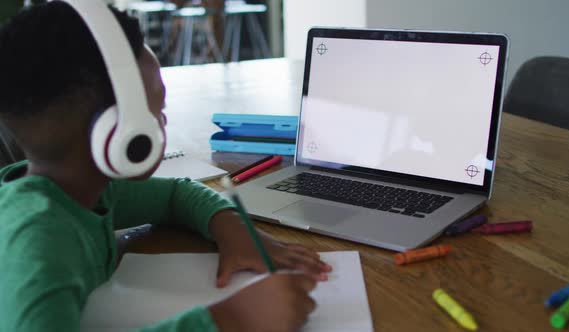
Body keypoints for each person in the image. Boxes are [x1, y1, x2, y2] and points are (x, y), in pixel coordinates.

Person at [0, 2, 331, 331]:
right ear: (120, 132)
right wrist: (230, 319)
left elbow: (175, 193)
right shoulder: (37, 245)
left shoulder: (85, 191)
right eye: (156, 111)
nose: (163, 120)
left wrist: (231, 227)